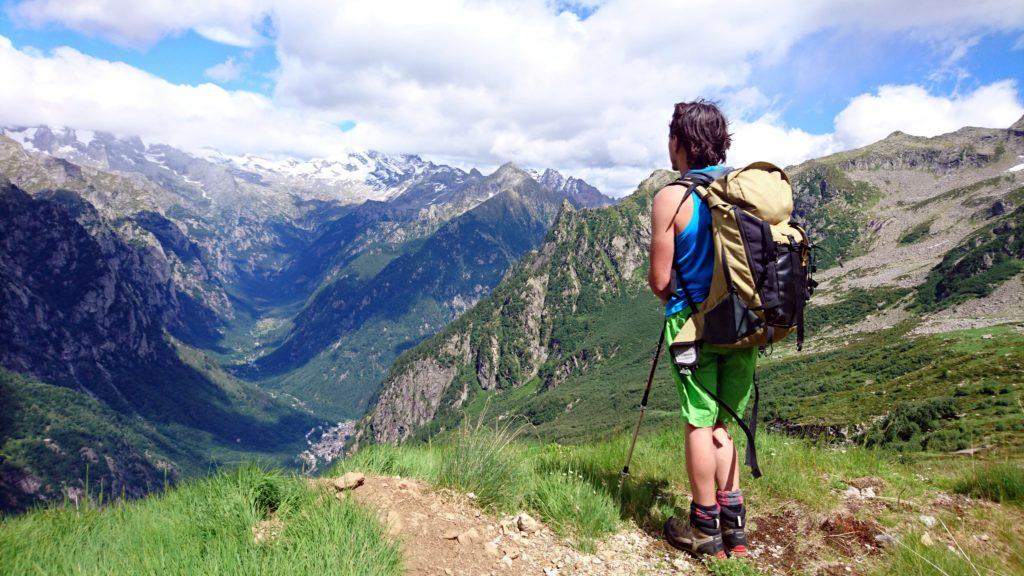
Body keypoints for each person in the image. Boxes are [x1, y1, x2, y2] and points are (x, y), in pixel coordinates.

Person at [647, 100, 754, 559]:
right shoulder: (744, 189)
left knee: (698, 420)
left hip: (693, 328)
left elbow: (659, 281)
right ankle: (735, 530)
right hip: (746, 325)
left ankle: (703, 527)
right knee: (724, 424)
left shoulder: (672, 198)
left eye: (671, 139)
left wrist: (684, 293)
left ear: (681, 142)